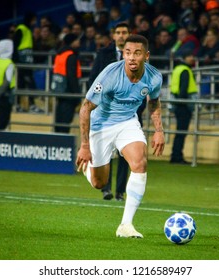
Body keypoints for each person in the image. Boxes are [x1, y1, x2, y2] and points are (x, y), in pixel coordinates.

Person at [76, 34, 165, 238]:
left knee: (140, 163)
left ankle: (126, 225)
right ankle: (90, 168)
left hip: (127, 122)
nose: (132, 57)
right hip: (101, 125)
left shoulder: (154, 77)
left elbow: (154, 102)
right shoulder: (110, 74)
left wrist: (159, 131)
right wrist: (84, 146)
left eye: (137, 53)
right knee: (100, 183)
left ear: (146, 56)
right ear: (123, 54)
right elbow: (85, 108)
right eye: (128, 53)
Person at [88, 22, 145, 201]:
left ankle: (120, 191)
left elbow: (144, 83)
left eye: (124, 32)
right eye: (118, 32)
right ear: (113, 36)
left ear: (129, 35)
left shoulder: (138, 57)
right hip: (105, 114)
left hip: (130, 113)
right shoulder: (103, 55)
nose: (121, 35)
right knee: (105, 153)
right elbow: (93, 82)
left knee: (127, 156)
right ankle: (106, 188)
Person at [170, 49, 197, 165]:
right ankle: (177, 156)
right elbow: (183, 90)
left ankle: (175, 156)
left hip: (177, 103)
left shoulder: (177, 69)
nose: (192, 58)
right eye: (190, 55)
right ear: (185, 58)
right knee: (181, 133)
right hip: (184, 105)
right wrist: (186, 103)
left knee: (179, 132)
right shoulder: (185, 70)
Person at [51, 33, 82, 133]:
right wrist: (77, 96)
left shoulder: (60, 54)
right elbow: (72, 77)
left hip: (60, 91)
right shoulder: (71, 56)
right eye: (77, 40)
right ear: (72, 42)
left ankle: (58, 143)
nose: (79, 42)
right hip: (68, 94)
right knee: (65, 123)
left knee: (59, 121)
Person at [13, 11, 40, 113]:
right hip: (22, 61)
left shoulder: (28, 30)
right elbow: (15, 45)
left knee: (29, 82)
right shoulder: (21, 29)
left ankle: (31, 105)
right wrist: (17, 61)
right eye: (34, 20)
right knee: (21, 83)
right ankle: (18, 105)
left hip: (28, 60)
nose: (35, 22)